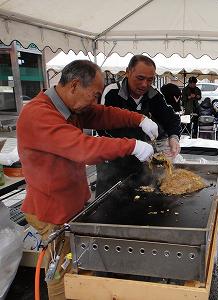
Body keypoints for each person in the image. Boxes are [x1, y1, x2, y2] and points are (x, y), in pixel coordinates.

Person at [16, 60, 158, 300]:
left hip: (70, 205)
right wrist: (132, 145)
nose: (96, 101)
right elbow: (84, 148)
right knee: (62, 272)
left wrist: (138, 119)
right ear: (74, 86)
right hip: (51, 210)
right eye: (94, 95)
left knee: (79, 265)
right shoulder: (39, 114)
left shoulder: (71, 107)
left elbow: (103, 114)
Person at [96, 55, 181, 196]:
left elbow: (171, 119)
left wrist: (173, 138)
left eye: (150, 79)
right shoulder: (111, 92)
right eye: (140, 78)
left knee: (143, 201)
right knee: (110, 206)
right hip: (115, 164)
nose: (144, 84)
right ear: (128, 72)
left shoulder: (154, 95)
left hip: (144, 164)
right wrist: (133, 145)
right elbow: (102, 128)